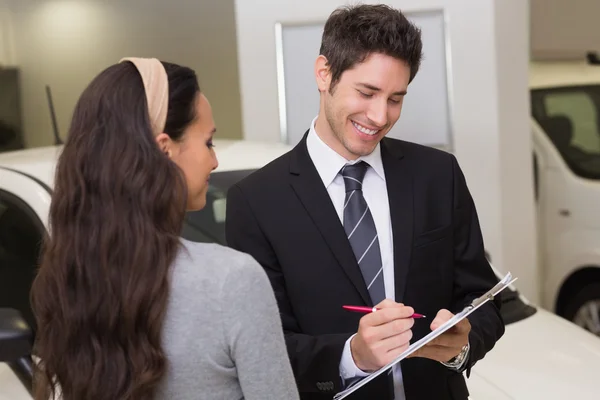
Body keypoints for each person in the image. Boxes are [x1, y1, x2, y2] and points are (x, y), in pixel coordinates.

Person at [225, 4, 504, 400]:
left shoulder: (437, 176)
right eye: (367, 92)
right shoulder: (255, 202)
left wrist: (463, 344)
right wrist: (351, 356)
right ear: (324, 74)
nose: (379, 116)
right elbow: (260, 347)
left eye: (395, 98)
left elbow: (485, 298)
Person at [30, 57, 299, 400]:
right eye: (208, 142)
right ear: (164, 148)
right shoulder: (231, 280)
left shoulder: (70, 278)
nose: (215, 161)